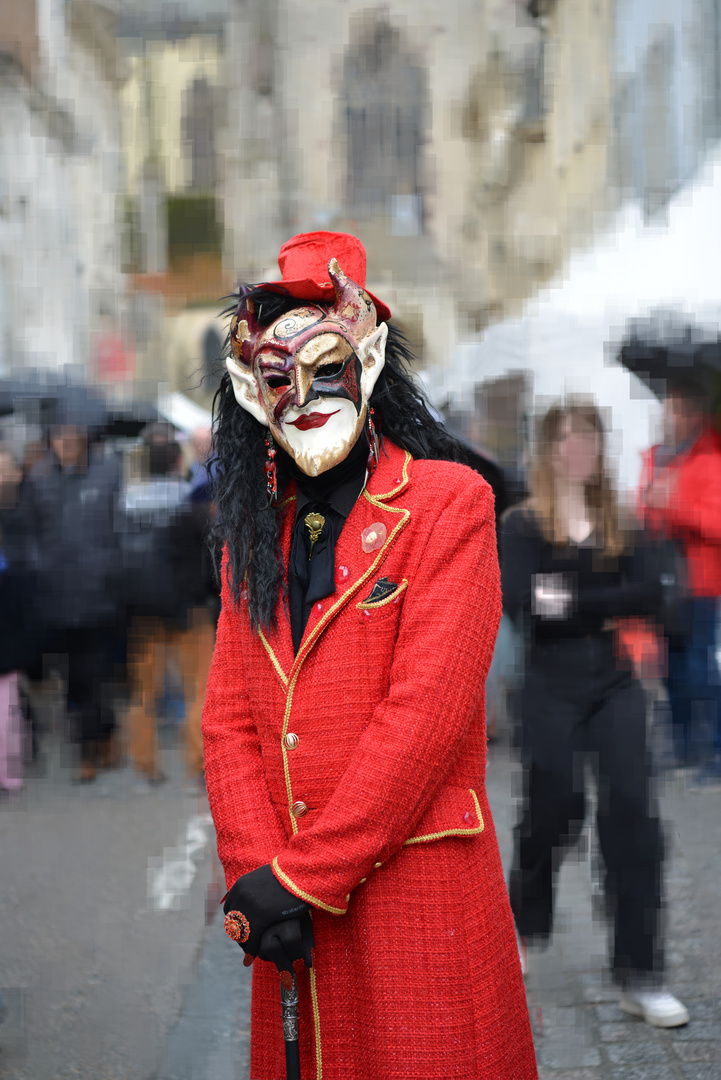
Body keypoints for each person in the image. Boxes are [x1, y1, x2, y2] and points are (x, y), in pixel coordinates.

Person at [201, 231, 537, 1080]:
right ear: (251, 390)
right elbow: (230, 721)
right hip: (290, 909)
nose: (304, 395)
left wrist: (301, 876)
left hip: (411, 897)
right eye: (279, 377)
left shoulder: (447, 503)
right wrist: (253, 874)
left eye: (325, 366)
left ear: (369, 362)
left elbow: (425, 717)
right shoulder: (251, 535)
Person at [501, 399, 689, 1029]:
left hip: (612, 680)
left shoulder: (620, 521)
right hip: (549, 682)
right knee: (552, 804)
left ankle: (641, 973)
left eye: (587, 439)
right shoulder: (523, 524)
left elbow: (653, 596)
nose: (576, 450)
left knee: (632, 811)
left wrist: (575, 597)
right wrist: (607, 597)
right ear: (550, 450)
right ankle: (527, 919)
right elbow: (525, 604)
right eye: (566, 440)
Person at [24, 410, 124, 782]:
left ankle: (91, 751)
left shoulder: (107, 473)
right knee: (72, 681)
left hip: (100, 598)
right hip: (57, 600)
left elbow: (120, 526)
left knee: (95, 677)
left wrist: (112, 569)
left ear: (83, 437)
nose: (65, 442)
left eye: (72, 435)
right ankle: (100, 735)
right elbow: (33, 532)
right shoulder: (39, 480)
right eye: (59, 436)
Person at [120, 422, 215, 784]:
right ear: (179, 461)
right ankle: (198, 762)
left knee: (145, 691)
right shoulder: (193, 502)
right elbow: (209, 557)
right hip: (190, 608)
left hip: (142, 610)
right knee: (199, 690)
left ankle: (145, 762)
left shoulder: (126, 504)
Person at [637, 380, 721, 782]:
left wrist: (676, 506)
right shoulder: (656, 458)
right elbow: (646, 514)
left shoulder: (710, 460)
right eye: (665, 409)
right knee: (671, 668)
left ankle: (714, 752)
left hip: (702, 585)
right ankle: (685, 745)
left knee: (701, 670)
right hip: (664, 582)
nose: (667, 418)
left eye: (675, 409)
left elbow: (716, 522)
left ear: (693, 414)